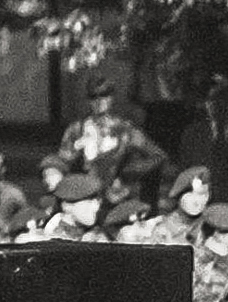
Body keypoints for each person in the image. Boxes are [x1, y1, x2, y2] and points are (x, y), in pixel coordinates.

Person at [57, 75, 167, 205]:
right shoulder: (76, 129)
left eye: (104, 94)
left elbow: (158, 156)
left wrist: (127, 177)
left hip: (114, 198)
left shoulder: (125, 129)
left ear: (111, 97)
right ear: (88, 100)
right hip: (83, 198)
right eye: (93, 96)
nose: (99, 100)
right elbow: (61, 161)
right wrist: (77, 146)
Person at [143, 166, 212, 246]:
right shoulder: (164, 229)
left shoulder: (208, 225)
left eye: (203, 195)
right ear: (180, 196)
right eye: (191, 194)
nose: (197, 201)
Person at [44, 173, 107, 241]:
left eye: (97, 200)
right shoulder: (57, 236)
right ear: (66, 206)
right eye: (89, 202)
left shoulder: (95, 234)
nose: (96, 207)